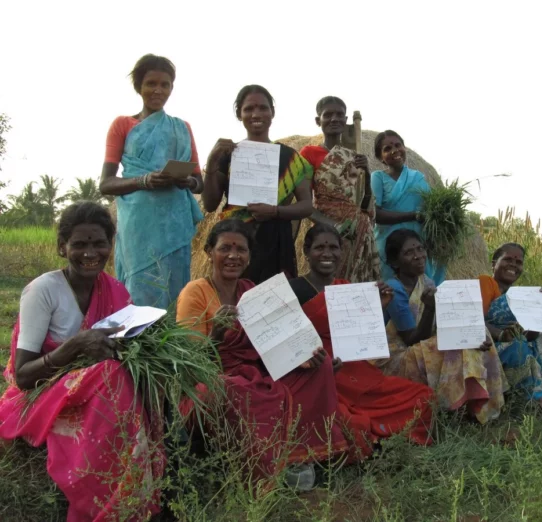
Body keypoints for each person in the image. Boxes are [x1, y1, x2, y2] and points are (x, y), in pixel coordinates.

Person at [0, 202, 164, 521]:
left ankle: (138, 494)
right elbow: (22, 376)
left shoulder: (116, 290)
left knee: (129, 379)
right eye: (80, 244)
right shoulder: (43, 291)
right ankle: (102, 502)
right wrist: (74, 348)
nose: (90, 252)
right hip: (42, 392)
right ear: (63, 248)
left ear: (110, 245)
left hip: (98, 391)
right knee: (111, 374)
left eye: (99, 243)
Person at [176, 219, 349, 487]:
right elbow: (189, 362)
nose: (233, 255)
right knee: (232, 389)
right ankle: (260, 467)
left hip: (256, 373)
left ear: (249, 256)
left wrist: (302, 357)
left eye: (241, 249)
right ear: (209, 251)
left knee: (319, 367)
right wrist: (216, 336)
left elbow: (277, 344)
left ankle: (297, 455)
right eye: (225, 248)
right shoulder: (195, 292)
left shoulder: (252, 292)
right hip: (212, 379)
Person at [289, 224, 434, 457]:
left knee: (423, 397)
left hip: (354, 370)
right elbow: (289, 343)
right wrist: (312, 363)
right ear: (306, 251)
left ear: (341, 252)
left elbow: (360, 334)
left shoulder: (346, 288)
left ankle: (383, 438)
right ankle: (377, 439)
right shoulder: (293, 289)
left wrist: (378, 306)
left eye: (334, 247)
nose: (328, 253)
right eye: (320, 247)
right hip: (317, 372)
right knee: (343, 418)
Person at [100, 54, 203, 309]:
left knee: (174, 291)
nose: (158, 90)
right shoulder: (122, 125)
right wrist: (145, 180)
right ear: (139, 87)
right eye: (151, 83)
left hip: (175, 225)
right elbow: (106, 184)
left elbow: (199, 182)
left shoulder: (182, 127)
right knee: (138, 286)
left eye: (165, 84)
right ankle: (137, 345)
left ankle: (172, 346)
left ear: (171, 88)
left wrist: (187, 182)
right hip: (139, 226)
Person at [378, 229, 508, 423]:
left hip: (421, 347)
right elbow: (411, 339)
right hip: (398, 358)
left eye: (420, 249)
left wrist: (469, 335)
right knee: (460, 345)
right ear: (395, 263)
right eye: (409, 252)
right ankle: (456, 406)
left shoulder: (427, 282)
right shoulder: (395, 289)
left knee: (478, 336)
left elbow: (442, 325)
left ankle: (479, 403)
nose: (418, 256)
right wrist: (430, 309)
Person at [203, 85, 314, 284]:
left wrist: (275, 211)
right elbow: (210, 204)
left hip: (276, 243)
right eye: (249, 109)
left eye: (263, 108)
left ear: (272, 112)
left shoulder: (289, 157)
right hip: (236, 241)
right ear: (239, 114)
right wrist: (211, 164)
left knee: (273, 303)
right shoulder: (228, 154)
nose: (256, 114)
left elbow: (306, 205)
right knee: (235, 300)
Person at [299, 96, 381, 283]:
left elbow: (365, 204)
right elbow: (304, 204)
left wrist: (366, 173)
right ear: (318, 120)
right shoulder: (309, 153)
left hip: (359, 232)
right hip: (328, 233)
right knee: (330, 284)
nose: (334, 119)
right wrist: (334, 226)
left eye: (339, 115)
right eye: (328, 115)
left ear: (345, 121)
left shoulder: (354, 157)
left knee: (359, 288)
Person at [479, 243, 542, 407]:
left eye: (518, 262)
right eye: (507, 259)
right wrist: (501, 334)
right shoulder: (485, 283)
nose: (513, 264)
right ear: (494, 263)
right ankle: (520, 401)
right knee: (518, 346)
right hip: (487, 341)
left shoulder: (520, 296)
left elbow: (530, 335)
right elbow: (477, 319)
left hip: (514, 340)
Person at [371, 130, 445, 285]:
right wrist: (413, 216)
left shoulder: (417, 177)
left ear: (404, 148)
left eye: (398, 145)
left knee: (421, 290)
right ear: (380, 158)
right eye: (387, 149)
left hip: (417, 244)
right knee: (392, 290)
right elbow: (375, 214)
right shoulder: (378, 178)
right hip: (390, 247)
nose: (394, 151)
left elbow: (430, 209)